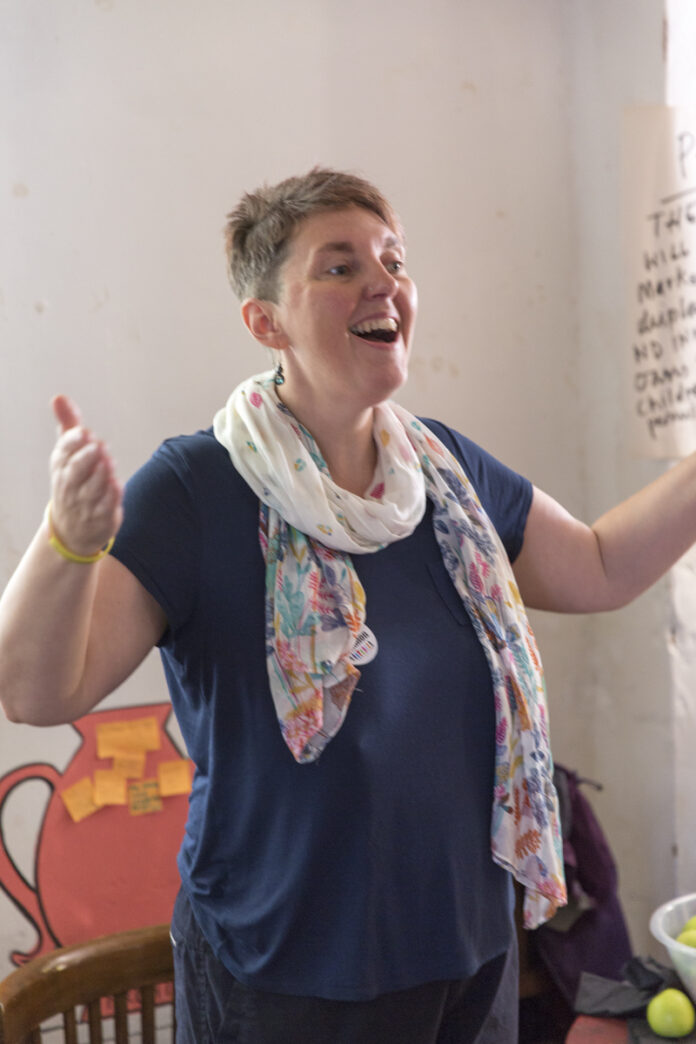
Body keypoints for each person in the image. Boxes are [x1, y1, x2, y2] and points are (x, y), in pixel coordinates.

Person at [1, 168, 696, 1044]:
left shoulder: (447, 474)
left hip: (468, 953)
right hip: (286, 975)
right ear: (266, 321)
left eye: (393, 260)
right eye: (338, 267)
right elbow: (34, 692)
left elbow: (599, 566)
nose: (383, 282)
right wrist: (65, 540)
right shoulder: (195, 489)